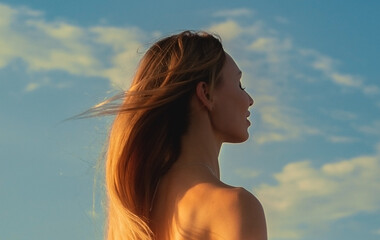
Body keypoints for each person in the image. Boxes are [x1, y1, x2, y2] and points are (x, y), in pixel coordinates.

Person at [84, 31, 267, 240]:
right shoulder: (235, 206)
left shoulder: (135, 220)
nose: (249, 99)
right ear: (206, 93)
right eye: (240, 85)